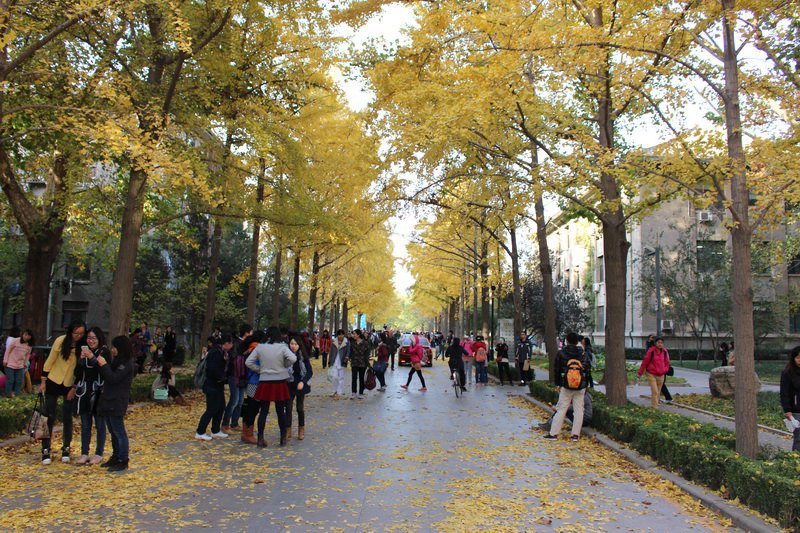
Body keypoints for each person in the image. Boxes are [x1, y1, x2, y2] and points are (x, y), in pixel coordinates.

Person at [40, 320, 86, 465]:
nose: (78, 336)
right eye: (75, 333)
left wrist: (74, 387)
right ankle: (46, 449)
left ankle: (66, 447)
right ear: (70, 332)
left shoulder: (82, 346)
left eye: (80, 333)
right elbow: (50, 360)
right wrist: (43, 380)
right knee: (49, 416)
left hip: (69, 383)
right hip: (54, 380)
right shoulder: (60, 341)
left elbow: (81, 369)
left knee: (67, 416)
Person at [246, 326, 296, 447]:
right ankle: (283, 438)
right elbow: (293, 358)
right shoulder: (282, 347)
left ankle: (260, 438)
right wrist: (284, 366)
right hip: (279, 381)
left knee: (263, 411)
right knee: (280, 411)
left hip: (265, 381)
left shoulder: (260, 347)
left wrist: (260, 370)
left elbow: (248, 362)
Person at [96, 335, 135, 472]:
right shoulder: (118, 361)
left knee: (119, 431)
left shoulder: (126, 364)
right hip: (108, 399)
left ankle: (123, 459)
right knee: (112, 430)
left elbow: (114, 378)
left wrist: (104, 365)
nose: (113, 350)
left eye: (115, 348)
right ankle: (115, 455)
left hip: (117, 400)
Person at [544, 332, 590, 441]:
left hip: (566, 385)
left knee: (561, 409)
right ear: (577, 341)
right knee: (579, 410)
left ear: (567, 341)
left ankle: (554, 433)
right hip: (580, 385)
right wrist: (585, 383)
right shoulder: (582, 353)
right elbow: (587, 370)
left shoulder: (562, 353)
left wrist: (558, 384)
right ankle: (575, 435)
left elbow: (557, 370)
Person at [74, 327, 109, 466]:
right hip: (84, 391)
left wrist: (92, 358)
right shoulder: (83, 352)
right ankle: (84, 452)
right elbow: (77, 373)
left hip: (99, 392)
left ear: (99, 339)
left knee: (100, 424)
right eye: (89, 338)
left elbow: (104, 370)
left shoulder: (104, 352)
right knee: (85, 424)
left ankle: (99, 453)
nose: (91, 341)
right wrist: (81, 360)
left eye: (94, 338)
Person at [194, 335, 232, 440]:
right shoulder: (216, 353)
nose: (231, 346)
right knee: (211, 408)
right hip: (211, 384)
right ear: (226, 343)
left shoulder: (221, 352)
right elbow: (212, 369)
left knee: (220, 407)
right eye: (231, 343)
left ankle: (215, 430)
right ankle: (200, 431)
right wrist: (221, 377)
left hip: (218, 384)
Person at [222, 323, 252, 433]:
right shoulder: (237, 344)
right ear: (246, 333)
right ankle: (225, 424)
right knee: (234, 400)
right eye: (251, 332)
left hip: (242, 376)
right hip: (234, 376)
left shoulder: (245, 344)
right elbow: (234, 361)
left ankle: (234, 423)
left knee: (239, 401)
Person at [239, 330, 265, 444]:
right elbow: (256, 365)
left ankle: (246, 431)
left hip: (248, 381)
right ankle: (248, 433)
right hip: (256, 381)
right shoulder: (257, 349)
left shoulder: (248, 348)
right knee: (254, 407)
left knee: (250, 405)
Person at [286, 335, 312, 440]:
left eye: (295, 344)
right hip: (289, 383)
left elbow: (309, 372)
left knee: (299, 408)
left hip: (301, 384)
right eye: (291, 344)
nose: (293, 346)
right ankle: (288, 429)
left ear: (299, 345)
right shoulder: (286, 357)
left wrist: (303, 381)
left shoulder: (303, 357)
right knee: (288, 408)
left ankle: (301, 429)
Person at [637, 336, 671, 409]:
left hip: (661, 374)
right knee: (655, 391)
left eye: (661, 343)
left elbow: (667, 363)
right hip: (651, 374)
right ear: (655, 343)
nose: (660, 344)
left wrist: (665, 370)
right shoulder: (651, 351)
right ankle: (654, 406)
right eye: (658, 342)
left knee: (658, 391)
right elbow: (645, 362)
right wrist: (640, 373)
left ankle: (655, 404)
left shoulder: (665, 352)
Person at [780, 346, 800, 451]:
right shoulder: (788, 373)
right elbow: (785, 393)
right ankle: (796, 462)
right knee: (799, 439)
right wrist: (787, 410)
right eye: (797, 358)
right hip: (797, 411)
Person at [3, 328, 33, 397]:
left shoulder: (29, 345)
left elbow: (27, 355)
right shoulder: (15, 341)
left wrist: (25, 363)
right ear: (22, 334)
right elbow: (8, 351)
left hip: (20, 365)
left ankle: (17, 396)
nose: (26, 337)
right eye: (25, 335)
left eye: (28, 335)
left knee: (19, 381)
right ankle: (8, 395)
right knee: (10, 380)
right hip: (10, 364)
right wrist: (5, 360)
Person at [349, 329, 370, 399]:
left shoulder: (365, 343)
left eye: (354, 334)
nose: (353, 335)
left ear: (358, 335)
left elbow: (367, 353)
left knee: (361, 378)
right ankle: (353, 392)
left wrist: (367, 362)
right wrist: (350, 357)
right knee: (354, 378)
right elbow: (350, 352)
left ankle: (361, 392)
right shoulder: (352, 343)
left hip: (362, 363)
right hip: (354, 362)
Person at [328, 329, 349, 397]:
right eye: (339, 334)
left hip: (342, 361)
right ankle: (333, 391)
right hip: (334, 361)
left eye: (342, 334)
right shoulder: (334, 342)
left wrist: (346, 359)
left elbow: (348, 352)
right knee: (334, 377)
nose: (341, 336)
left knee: (341, 377)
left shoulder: (346, 342)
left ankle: (340, 391)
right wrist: (329, 361)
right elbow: (331, 352)